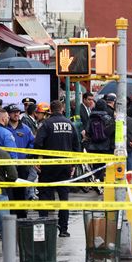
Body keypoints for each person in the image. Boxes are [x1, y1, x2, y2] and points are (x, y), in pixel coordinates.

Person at [34, 100, 81, 237]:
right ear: (62, 109)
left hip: (49, 166)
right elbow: (76, 145)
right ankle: (64, 229)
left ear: (51, 110)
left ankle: (44, 227)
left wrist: (38, 159)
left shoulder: (46, 124)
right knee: (64, 197)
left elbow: (38, 143)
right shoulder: (70, 124)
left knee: (44, 195)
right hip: (65, 167)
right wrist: (73, 165)